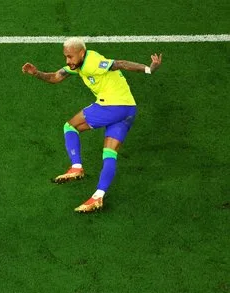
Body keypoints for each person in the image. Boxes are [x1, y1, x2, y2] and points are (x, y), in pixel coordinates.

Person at [22, 37, 162, 212]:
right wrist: (36, 73)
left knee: (70, 126)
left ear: (81, 53)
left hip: (113, 105)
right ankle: (98, 197)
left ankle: (76, 167)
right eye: (66, 56)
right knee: (109, 154)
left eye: (70, 57)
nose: (68, 61)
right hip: (129, 111)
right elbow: (56, 77)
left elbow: (119, 64)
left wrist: (149, 69)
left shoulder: (93, 62)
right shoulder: (79, 65)